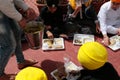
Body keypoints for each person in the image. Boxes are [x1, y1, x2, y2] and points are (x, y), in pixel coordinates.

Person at [0, 0, 38, 79]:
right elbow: (3, 3)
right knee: (8, 45)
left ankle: (21, 61)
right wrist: (20, 18)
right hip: (2, 6)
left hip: (4, 7)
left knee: (17, 32)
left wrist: (26, 7)